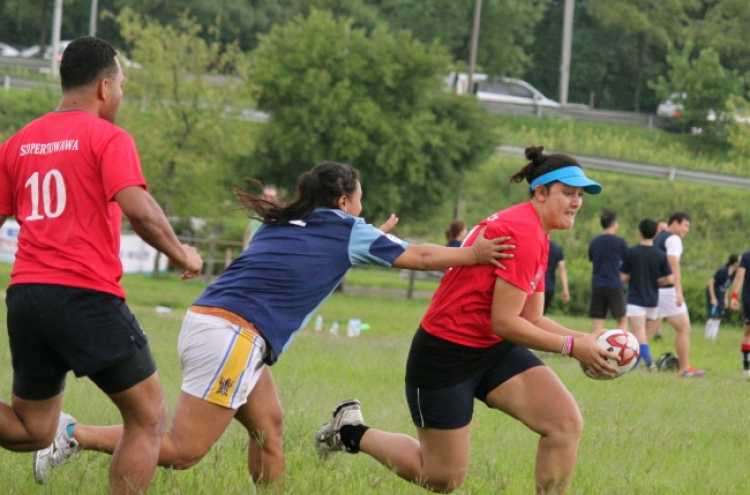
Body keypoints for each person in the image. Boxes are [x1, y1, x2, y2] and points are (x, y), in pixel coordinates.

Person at [34, 161, 515, 485]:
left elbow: (308, 258)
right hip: (234, 337)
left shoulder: (284, 220)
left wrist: (368, 238)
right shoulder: (347, 229)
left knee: (268, 429)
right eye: (360, 201)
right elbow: (425, 254)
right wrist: (473, 254)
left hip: (214, 324)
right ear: (345, 201)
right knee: (182, 450)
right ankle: (74, 434)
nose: (362, 209)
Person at [315, 146, 619, 495]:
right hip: (445, 355)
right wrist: (572, 347)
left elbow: (532, 318)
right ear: (540, 192)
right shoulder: (522, 232)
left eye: (579, 195)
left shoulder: (537, 233)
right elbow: (506, 322)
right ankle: (349, 431)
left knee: (564, 424)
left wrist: (586, 341)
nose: (576, 202)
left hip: (491, 349)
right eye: (568, 193)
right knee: (442, 478)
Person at [0, 37, 203, 495]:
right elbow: (142, 210)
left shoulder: (17, 144)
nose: (122, 94)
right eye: (123, 85)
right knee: (148, 418)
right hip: (84, 295)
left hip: (27, 297)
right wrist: (183, 254)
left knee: (32, 429)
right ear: (105, 88)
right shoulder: (108, 138)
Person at [646, 212, 705, 377]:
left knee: (646, 332)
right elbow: (673, 264)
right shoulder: (674, 239)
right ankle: (684, 368)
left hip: (654, 288)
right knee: (684, 328)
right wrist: (678, 291)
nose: (687, 230)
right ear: (675, 223)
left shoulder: (660, 237)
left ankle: (629, 361)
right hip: (667, 290)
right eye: (685, 225)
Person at [619, 219, 673, 371]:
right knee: (642, 336)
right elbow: (670, 278)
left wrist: (632, 280)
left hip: (636, 300)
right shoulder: (660, 255)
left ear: (639, 232)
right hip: (652, 301)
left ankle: (650, 363)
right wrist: (657, 283)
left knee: (640, 335)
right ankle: (635, 364)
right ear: (655, 233)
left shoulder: (631, 252)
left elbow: (622, 277)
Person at [587, 210, 628, 331]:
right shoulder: (620, 242)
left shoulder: (594, 242)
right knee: (621, 319)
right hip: (615, 283)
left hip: (597, 283)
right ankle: (621, 345)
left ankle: (596, 346)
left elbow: (592, 259)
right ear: (614, 224)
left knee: (598, 319)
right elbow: (626, 262)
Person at [704, 254, 739, 340]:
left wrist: (726, 298)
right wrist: (712, 298)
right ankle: (708, 337)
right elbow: (710, 283)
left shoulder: (733, 274)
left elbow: (726, 286)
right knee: (714, 316)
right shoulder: (723, 271)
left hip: (721, 294)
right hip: (713, 293)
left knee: (719, 316)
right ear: (734, 263)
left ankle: (713, 337)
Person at [729, 250, 750, 378]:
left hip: (748, 300)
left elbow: (739, 276)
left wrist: (734, 297)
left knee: (748, 334)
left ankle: (746, 370)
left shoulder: (747, 256)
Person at [242, 184, 278, 250]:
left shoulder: (276, 215)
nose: (268, 199)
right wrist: (245, 248)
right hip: (251, 249)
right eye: (265, 196)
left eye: (271, 197)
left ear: (276, 198)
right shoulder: (258, 212)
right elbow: (249, 230)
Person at [543, 240, 570, 315]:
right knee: (540, 316)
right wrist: (565, 289)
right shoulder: (557, 249)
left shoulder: (536, 245)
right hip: (549, 287)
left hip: (535, 286)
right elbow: (562, 270)